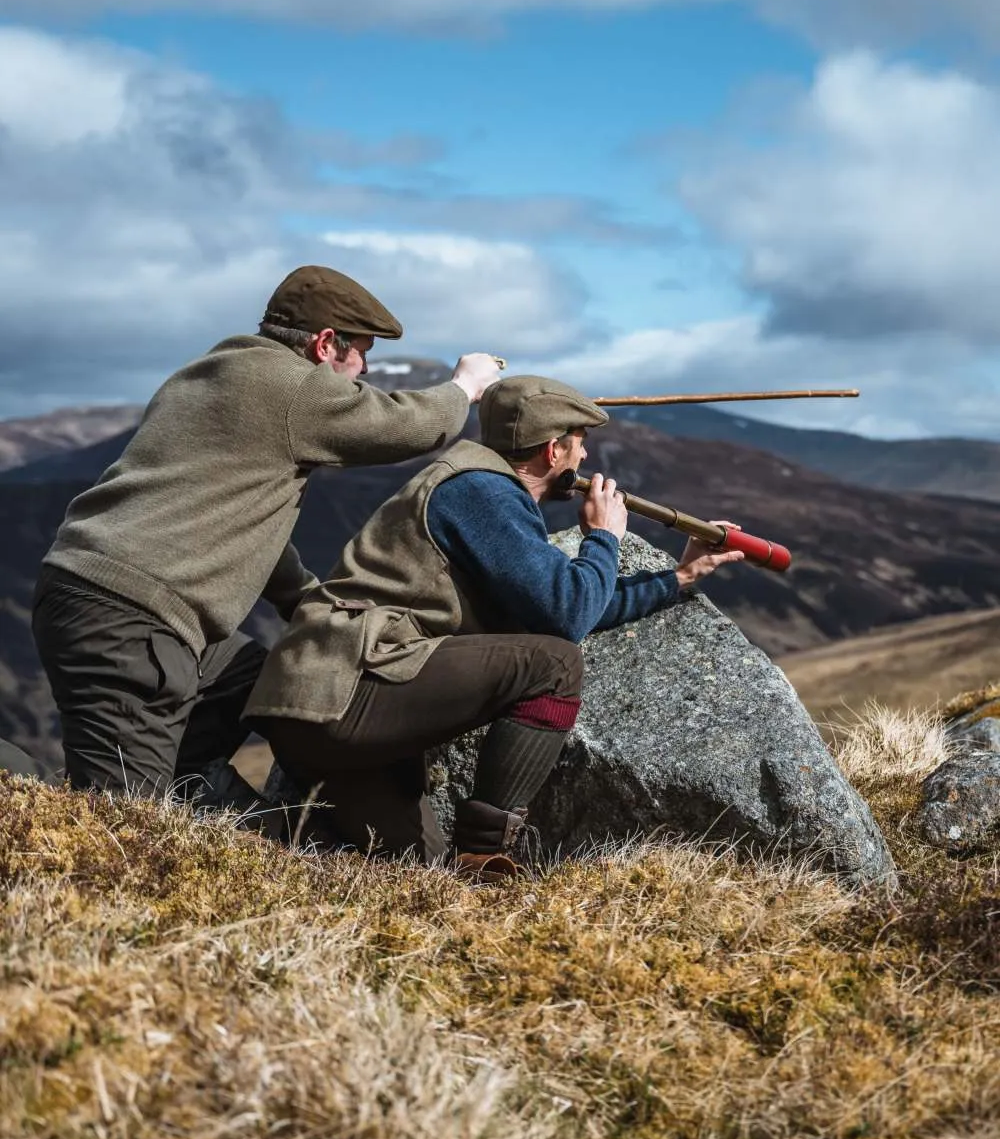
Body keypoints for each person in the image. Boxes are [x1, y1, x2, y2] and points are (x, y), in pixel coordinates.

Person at [31, 264, 501, 805]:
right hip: (131, 621)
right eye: (362, 353)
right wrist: (464, 388)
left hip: (94, 593)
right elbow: (403, 426)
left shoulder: (213, 371)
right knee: (120, 821)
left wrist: (303, 601)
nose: (365, 369)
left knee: (258, 680)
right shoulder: (292, 388)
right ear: (326, 344)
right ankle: (138, 824)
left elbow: (236, 513)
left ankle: (190, 796)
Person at [244, 374, 746, 876]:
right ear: (553, 451)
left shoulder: (477, 485)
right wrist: (603, 539)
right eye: (580, 446)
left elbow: (575, 603)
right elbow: (566, 616)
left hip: (312, 702)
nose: (584, 460)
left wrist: (680, 577)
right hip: (349, 687)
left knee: (421, 872)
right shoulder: (480, 490)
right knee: (554, 665)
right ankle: (482, 852)